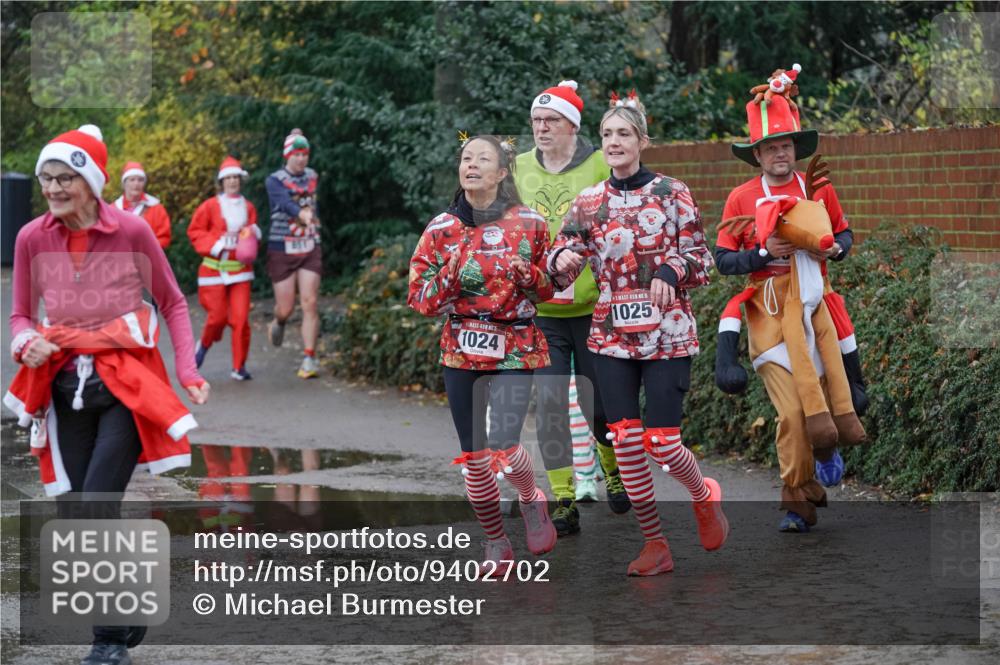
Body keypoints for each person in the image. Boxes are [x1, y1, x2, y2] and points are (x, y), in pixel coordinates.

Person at [4, 124, 209, 665]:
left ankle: (108, 639)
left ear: (91, 181)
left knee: (96, 502)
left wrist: (187, 369)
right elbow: (21, 312)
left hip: (125, 383)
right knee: (74, 509)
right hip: (63, 384)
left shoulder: (132, 232)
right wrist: (24, 340)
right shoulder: (31, 238)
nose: (52, 187)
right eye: (46, 177)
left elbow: (172, 302)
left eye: (64, 176)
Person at [547, 92, 729, 576]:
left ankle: (702, 493)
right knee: (625, 440)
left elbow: (702, 259)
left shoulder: (672, 193)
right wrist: (559, 261)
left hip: (666, 333)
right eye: (606, 134)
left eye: (624, 133)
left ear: (643, 141)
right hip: (610, 334)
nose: (614, 142)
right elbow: (562, 258)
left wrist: (672, 269)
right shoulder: (588, 202)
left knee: (663, 442)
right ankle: (655, 544)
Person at [715, 65, 867, 533]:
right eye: (770, 148)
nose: (779, 154)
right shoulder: (740, 198)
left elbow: (843, 233)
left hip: (817, 309)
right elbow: (723, 259)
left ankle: (823, 456)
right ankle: (795, 499)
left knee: (825, 404)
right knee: (792, 413)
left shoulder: (816, 188)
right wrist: (763, 253)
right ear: (757, 154)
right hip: (769, 316)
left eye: (786, 146)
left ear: (795, 150)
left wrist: (838, 246)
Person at [408, 134, 558, 571]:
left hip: (515, 344)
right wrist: (450, 277)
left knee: (504, 447)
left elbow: (550, 289)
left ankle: (531, 499)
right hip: (461, 347)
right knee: (474, 458)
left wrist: (529, 274)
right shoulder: (441, 229)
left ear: (503, 172)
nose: (471, 165)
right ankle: (495, 541)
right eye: (466, 158)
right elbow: (420, 299)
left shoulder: (529, 223)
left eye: (482, 159)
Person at [513, 79, 629, 536]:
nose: (541, 128)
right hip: (541, 310)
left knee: (598, 404)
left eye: (551, 121)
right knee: (551, 406)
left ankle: (612, 466)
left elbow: (630, 214)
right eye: (536, 121)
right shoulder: (518, 167)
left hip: (594, 306)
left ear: (572, 126)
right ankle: (563, 499)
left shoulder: (602, 162)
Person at [188, 156, 261, 381]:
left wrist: (253, 236)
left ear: (241, 180)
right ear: (222, 181)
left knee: (240, 320)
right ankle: (204, 345)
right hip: (214, 271)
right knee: (217, 318)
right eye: (228, 177)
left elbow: (250, 231)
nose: (232, 181)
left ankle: (239, 366)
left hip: (240, 271)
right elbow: (195, 231)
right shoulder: (209, 206)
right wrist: (215, 245)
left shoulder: (248, 207)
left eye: (235, 177)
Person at [264, 129, 322, 378]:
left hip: (309, 245)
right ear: (287, 155)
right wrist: (300, 213)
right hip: (281, 248)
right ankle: (279, 321)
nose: (301, 159)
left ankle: (309, 357)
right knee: (286, 308)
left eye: (305, 154)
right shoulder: (274, 180)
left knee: (309, 302)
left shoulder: (312, 176)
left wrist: (310, 219)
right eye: (296, 154)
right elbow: (284, 203)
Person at [112, 161, 172, 250]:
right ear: (124, 183)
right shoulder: (113, 209)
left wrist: (147, 249)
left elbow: (164, 237)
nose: (136, 184)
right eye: (132, 180)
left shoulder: (156, 208)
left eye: (140, 180)